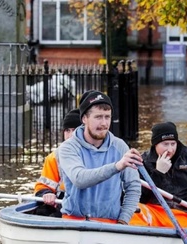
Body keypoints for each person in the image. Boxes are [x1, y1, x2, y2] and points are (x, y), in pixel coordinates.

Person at [56, 90, 144, 225]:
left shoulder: (120, 146)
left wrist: (123, 221)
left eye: (107, 117)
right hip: (74, 222)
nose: (104, 123)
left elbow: (133, 186)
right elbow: (80, 179)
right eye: (98, 117)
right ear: (84, 118)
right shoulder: (68, 148)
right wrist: (116, 166)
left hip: (110, 223)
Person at [139, 121, 187, 228]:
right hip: (155, 213)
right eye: (165, 144)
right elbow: (140, 198)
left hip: (184, 213)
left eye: (173, 144)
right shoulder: (143, 162)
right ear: (155, 144)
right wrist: (158, 173)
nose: (170, 149)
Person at [33, 108, 82, 216]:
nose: (70, 135)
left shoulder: (97, 154)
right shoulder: (54, 157)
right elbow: (42, 186)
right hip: (63, 204)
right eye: (67, 130)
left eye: (74, 130)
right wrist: (47, 193)